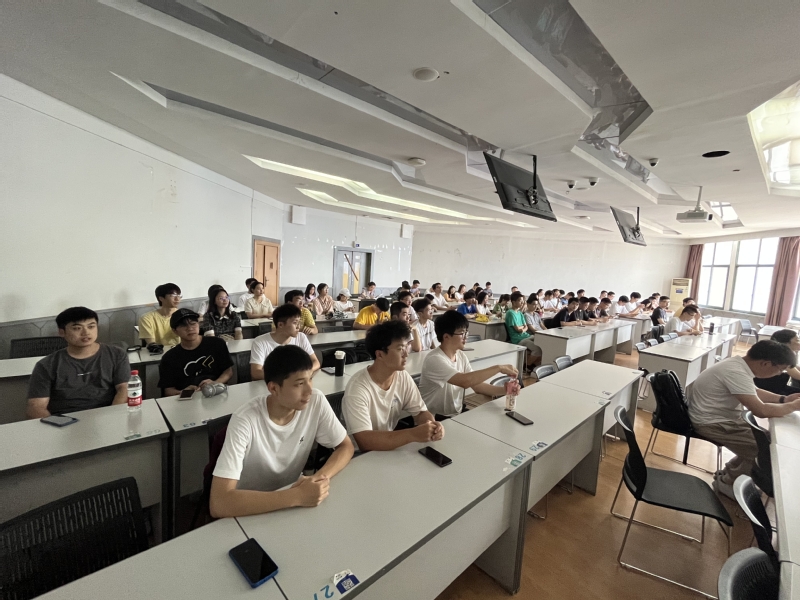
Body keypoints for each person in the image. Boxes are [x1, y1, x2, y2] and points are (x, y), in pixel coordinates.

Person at [209, 345, 354, 518]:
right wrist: (297, 496)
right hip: (250, 507)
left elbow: (345, 446)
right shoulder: (245, 420)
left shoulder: (315, 401)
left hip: (290, 503)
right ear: (274, 389)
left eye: (310, 379)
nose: (309, 390)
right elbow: (220, 503)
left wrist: (318, 479)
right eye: (299, 384)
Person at [689, 341, 800, 500]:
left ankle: (729, 473)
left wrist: (784, 399)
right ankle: (728, 483)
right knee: (764, 450)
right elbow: (761, 411)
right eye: (780, 369)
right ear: (766, 363)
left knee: (765, 440)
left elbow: (753, 392)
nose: (779, 374)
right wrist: (793, 406)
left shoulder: (738, 365)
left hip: (722, 419)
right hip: (712, 423)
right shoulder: (735, 371)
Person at [342, 321, 442, 451]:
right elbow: (364, 441)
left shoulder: (402, 376)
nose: (406, 353)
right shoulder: (358, 388)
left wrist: (432, 426)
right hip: (359, 454)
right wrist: (412, 434)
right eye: (400, 349)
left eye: (407, 346)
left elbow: (421, 412)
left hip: (389, 446)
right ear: (380, 354)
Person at [27, 307, 130, 418]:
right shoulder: (46, 365)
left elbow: (124, 389)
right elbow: (36, 407)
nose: (86, 332)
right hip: (65, 421)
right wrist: (58, 425)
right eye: (77, 328)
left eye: (91, 326)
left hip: (107, 416)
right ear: (62, 332)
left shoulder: (117, 355)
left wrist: (112, 417)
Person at [420, 311, 518, 419]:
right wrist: (499, 368)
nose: (466, 337)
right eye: (461, 333)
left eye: (466, 332)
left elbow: (476, 386)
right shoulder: (434, 359)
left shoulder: (460, 355)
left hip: (455, 414)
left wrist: (504, 390)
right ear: (446, 337)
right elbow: (465, 381)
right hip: (434, 419)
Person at [158, 309, 233, 397]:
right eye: (183, 325)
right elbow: (168, 390)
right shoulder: (170, 357)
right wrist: (184, 392)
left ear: (199, 324)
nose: (190, 328)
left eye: (193, 323)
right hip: (187, 400)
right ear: (175, 331)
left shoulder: (217, 344)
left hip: (217, 394)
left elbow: (228, 371)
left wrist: (215, 383)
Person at [250, 304, 320, 380]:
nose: (298, 327)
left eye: (299, 322)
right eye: (295, 323)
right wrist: (288, 377)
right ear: (280, 325)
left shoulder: (301, 337)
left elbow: (315, 362)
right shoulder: (260, 342)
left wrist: (304, 373)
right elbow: (256, 373)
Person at [754, 330, 800, 395]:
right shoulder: (782, 355)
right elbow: (796, 375)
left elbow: (793, 366)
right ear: (786, 342)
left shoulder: (782, 352)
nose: (799, 343)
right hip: (768, 388)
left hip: (775, 385)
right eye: (797, 340)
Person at [505, 292, 541, 371]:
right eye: (520, 301)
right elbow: (518, 330)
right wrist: (522, 328)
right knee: (537, 350)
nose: (522, 303)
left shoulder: (520, 313)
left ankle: (532, 364)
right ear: (513, 302)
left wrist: (522, 328)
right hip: (518, 339)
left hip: (526, 336)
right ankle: (526, 366)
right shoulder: (510, 313)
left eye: (522, 301)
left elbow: (526, 327)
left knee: (542, 343)